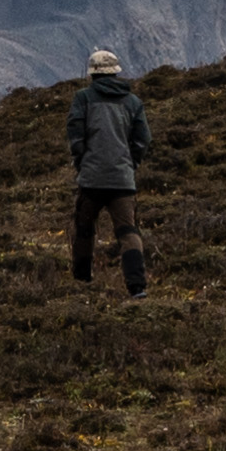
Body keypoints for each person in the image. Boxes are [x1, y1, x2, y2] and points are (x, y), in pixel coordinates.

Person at [68, 45, 152, 296]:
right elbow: (143, 139)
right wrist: (130, 163)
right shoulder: (133, 102)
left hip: (91, 179)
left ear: (92, 74)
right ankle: (137, 287)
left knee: (84, 229)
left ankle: (82, 282)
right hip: (122, 180)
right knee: (128, 232)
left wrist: (82, 162)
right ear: (116, 73)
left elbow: (75, 135)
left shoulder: (83, 99)